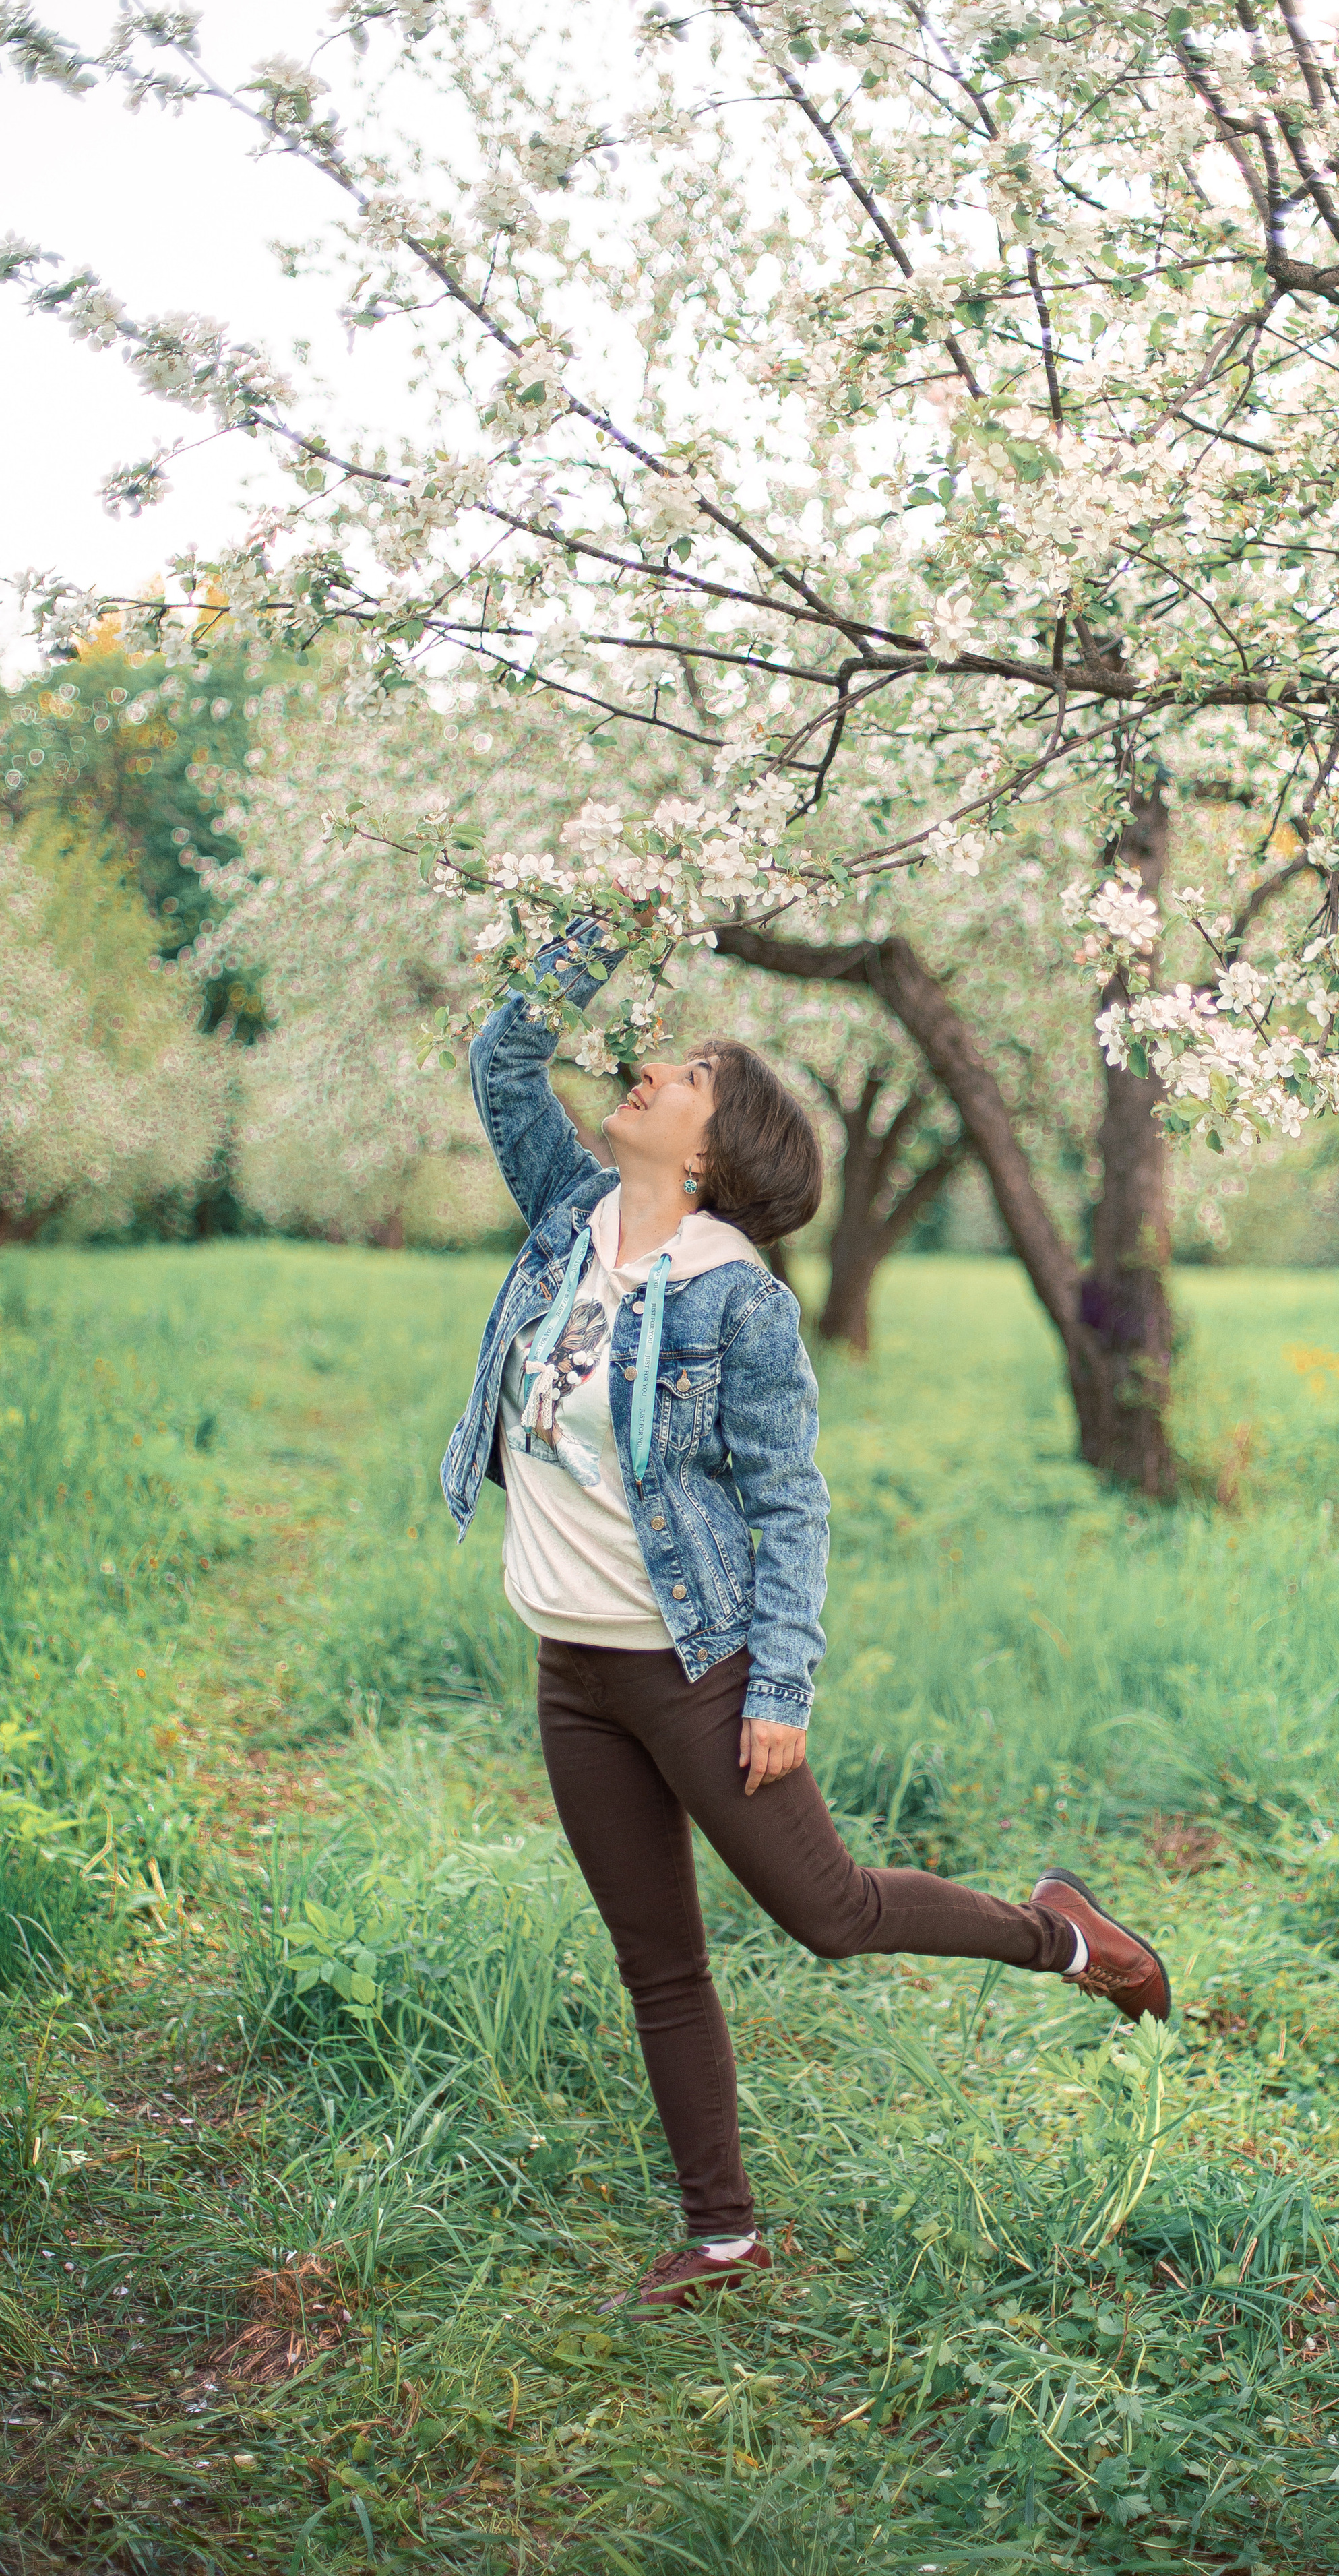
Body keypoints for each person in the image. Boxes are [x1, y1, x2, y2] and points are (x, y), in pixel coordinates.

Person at [441, 926, 1171, 2316]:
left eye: (691, 1074)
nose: (653, 1068)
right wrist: (603, 917)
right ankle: (721, 2234)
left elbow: (791, 1503)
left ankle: (1063, 1937)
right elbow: (503, 1054)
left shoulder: (739, 1304)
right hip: (570, 1672)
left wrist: (780, 1687)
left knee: (827, 1917)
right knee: (656, 1956)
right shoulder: (565, 1219)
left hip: (696, 1674)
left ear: (714, 1152)